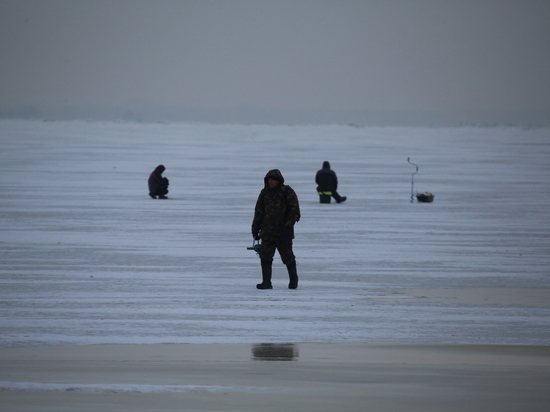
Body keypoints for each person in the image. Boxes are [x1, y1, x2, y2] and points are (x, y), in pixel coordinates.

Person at [251, 169, 301, 289]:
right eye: (269, 180)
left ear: (279, 181)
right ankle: (266, 282)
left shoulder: (287, 192)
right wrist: (255, 228)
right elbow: (258, 212)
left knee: (288, 257)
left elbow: (295, 212)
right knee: (265, 256)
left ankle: (293, 281)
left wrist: (288, 227)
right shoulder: (264, 193)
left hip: (283, 232)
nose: (271, 182)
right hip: (267, 232)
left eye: (273, 180)